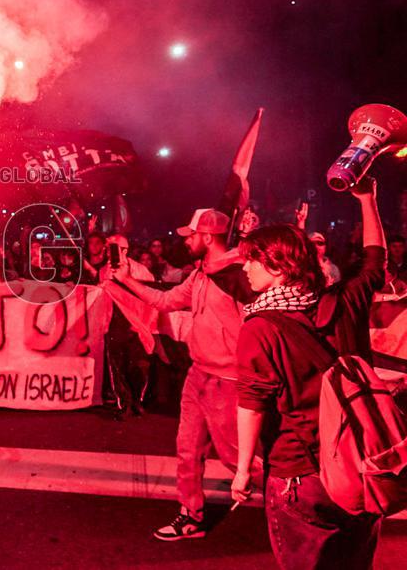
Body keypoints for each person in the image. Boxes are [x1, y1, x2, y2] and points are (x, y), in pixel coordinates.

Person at [231, 177, 386, 570]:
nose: (245, 266)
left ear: (278, 267)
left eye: (252, 258)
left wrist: (242, 468)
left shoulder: (260, 327)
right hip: (361, 466)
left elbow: (252, 404)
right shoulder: (345, 303)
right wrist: (367, 200)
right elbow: (373, 262)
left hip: (299, 473)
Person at [114, 208, 256, 541]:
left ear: (207, 237)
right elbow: (164, 301)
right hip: (198, 375)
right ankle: (190, 515)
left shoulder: (238, 274)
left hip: (229, 381)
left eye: (190, 235)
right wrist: (126, 280)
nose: (187, 241)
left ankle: (302, 497)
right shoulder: (201, 275)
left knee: (238, 459)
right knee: (187, 450)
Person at [101, 235, 154, 418]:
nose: (109, 252)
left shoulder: (141, 271)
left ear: (124, 250)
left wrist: (144, 325)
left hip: (137, 325)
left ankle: (137, 400)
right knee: (117, 368)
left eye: (113, 248)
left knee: (138, 368)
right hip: (115, 324)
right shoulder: (104, 271)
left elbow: (151, 300)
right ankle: (123, 404)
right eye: (108, 248)